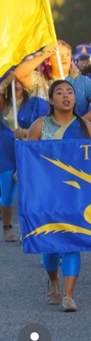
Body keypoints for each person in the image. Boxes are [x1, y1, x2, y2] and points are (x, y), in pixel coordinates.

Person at [27, 80, 91, 312]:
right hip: (47, 195)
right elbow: (29, 161)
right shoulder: (39, 126)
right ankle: (54, 282)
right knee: (50, 246)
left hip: (76, 195)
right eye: (59, 92)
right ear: (51, 100)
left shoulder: (87, 127)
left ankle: (68, 296)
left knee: (72, 243)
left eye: (70, 92)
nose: (66, 96)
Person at [14, 40, 91, 123]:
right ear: (49, 61)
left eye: (67, 54)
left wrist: (83, 120)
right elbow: (19, 74)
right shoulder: (40, 81)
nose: (64, 58)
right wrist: (42, 56)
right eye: (59, 55)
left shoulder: (83, 81)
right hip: (45, 142)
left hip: (75, 139)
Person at [0, 73, 32, 242]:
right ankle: (7, 227)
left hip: (27, 149)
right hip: (5, 151)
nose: (17, 80)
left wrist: (25, 132)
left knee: (27, 191)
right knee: (7, 194)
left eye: (21, 76)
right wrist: (5, 83)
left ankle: (26, 230)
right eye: (14, 77)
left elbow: (42, 122)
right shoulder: (3, 101)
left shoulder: (33, 101)